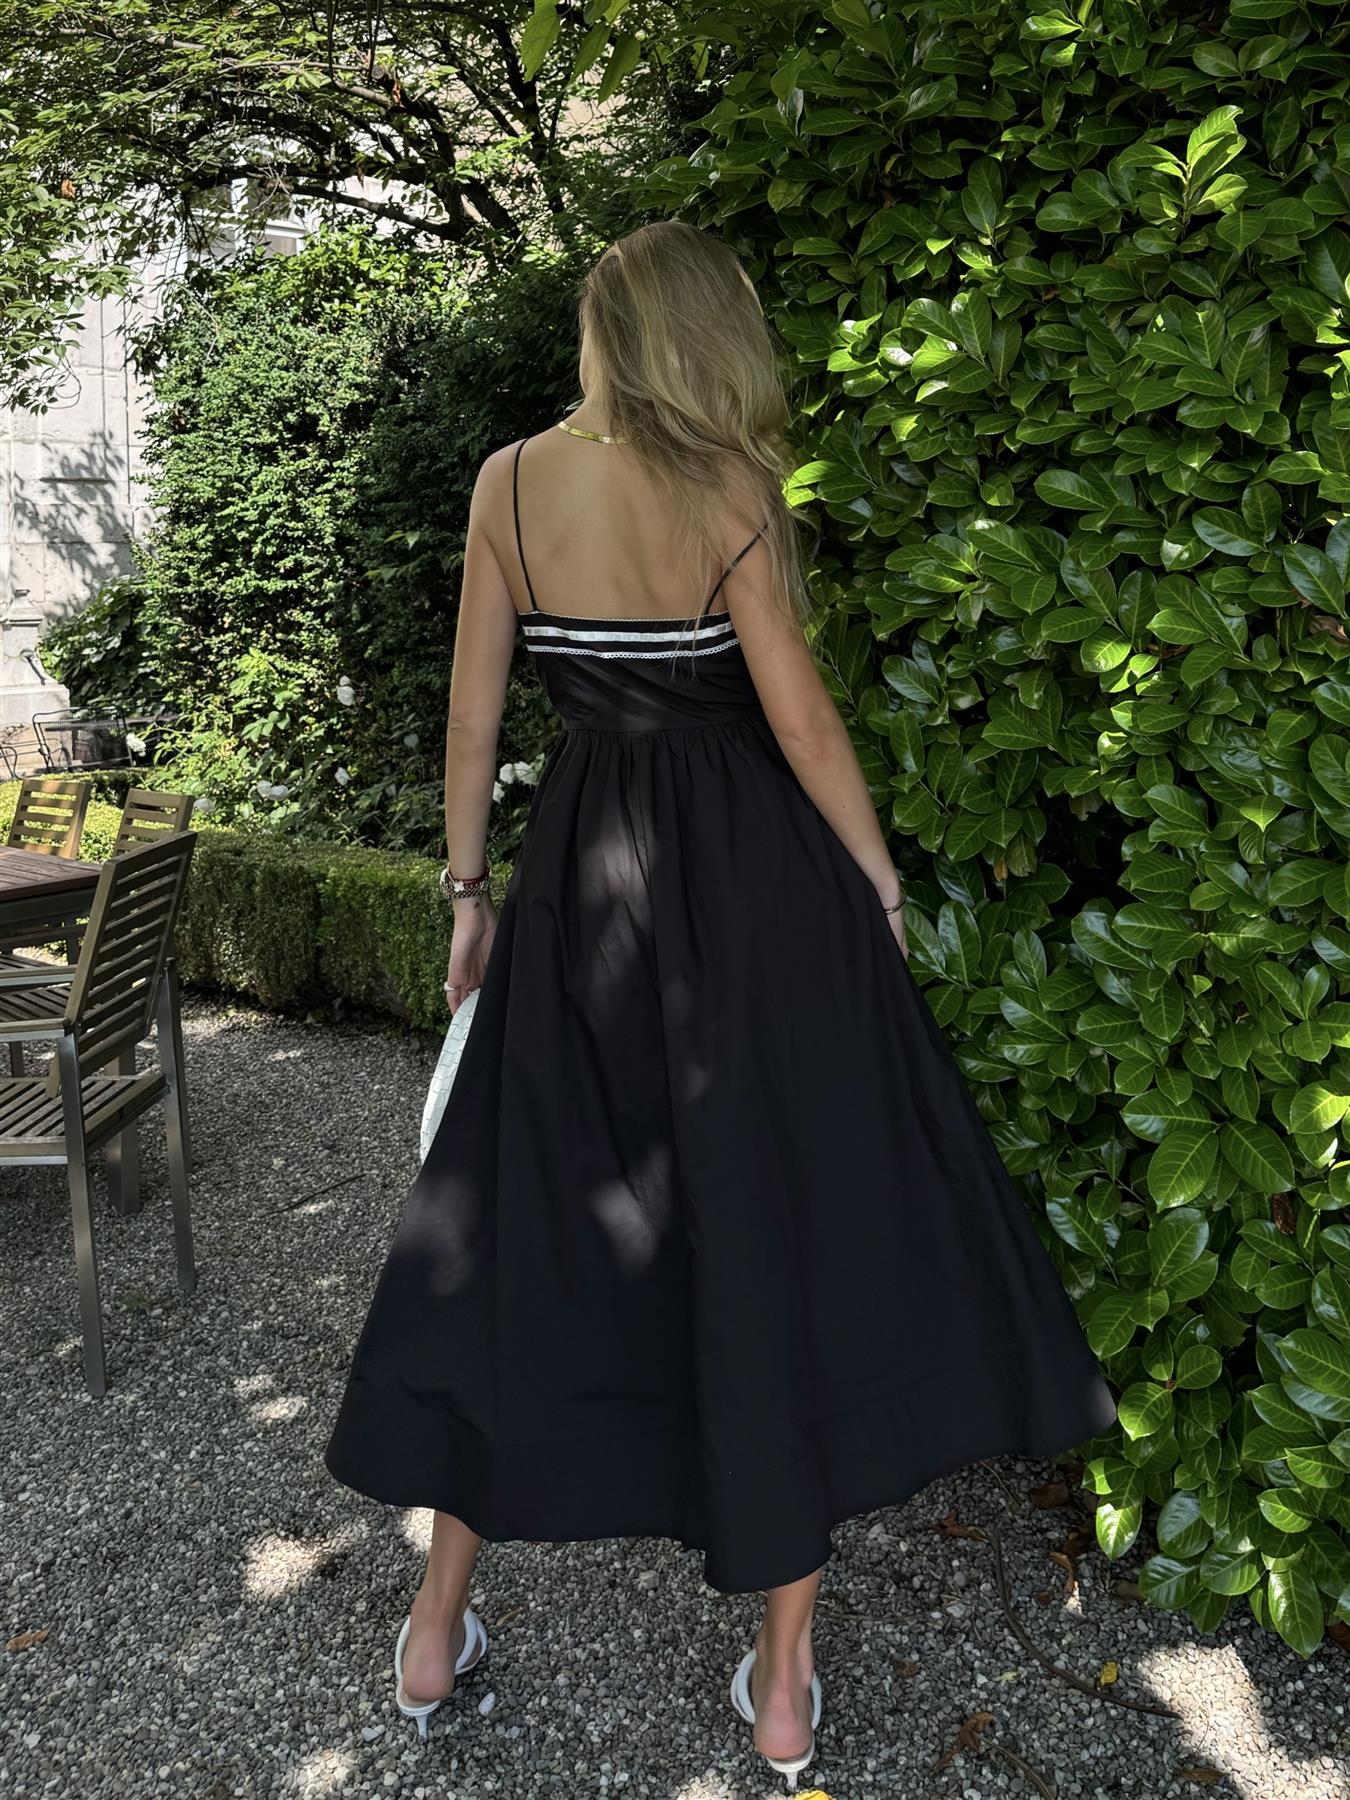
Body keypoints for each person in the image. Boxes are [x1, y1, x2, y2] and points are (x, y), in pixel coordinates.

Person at [324, 219, 1117, 1790]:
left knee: (517, 1229)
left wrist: (468, 896)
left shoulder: (508, 484)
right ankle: (781, 1685)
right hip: (755, 900)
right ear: (709, 338)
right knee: (776, 1232)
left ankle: (432, 1627)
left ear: (601, 333)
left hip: (581, 891)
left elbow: (472, 715)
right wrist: (876, 886)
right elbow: (801, 722)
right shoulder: (729, 491)